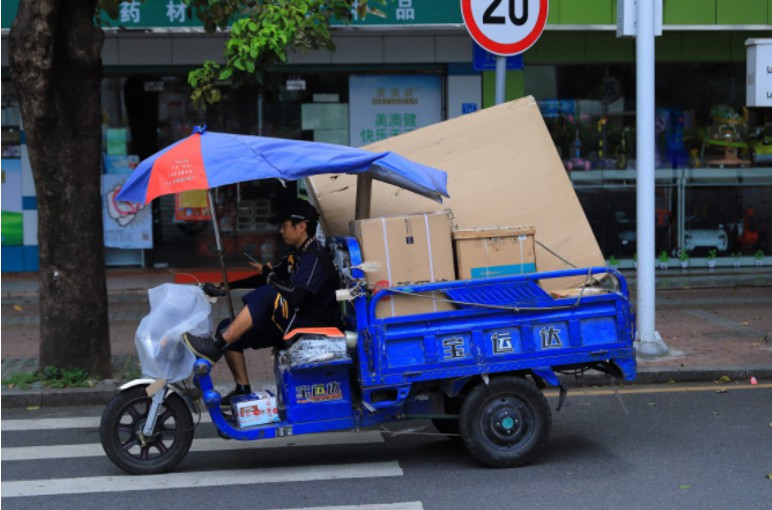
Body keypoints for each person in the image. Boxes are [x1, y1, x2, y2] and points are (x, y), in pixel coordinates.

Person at [183, 198, 340, 404]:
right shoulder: (297, 254)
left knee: (268, 293)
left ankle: (215, 347)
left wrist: (269, 276)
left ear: (301, 226)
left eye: (284, 226)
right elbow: (270, 274)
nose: (280, 231)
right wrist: (228, 286)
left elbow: (295, 295)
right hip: (294, 320)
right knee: (228, 328)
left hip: (314, 327)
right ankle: (242, 388)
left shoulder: (315, 256)